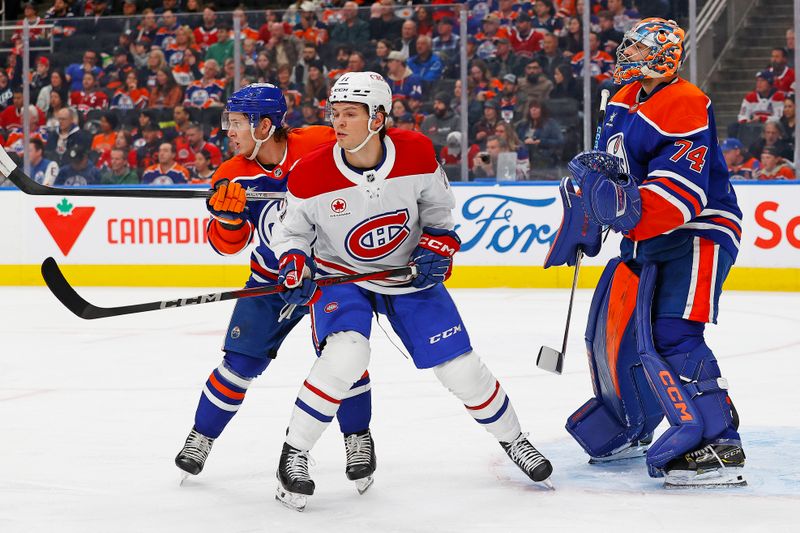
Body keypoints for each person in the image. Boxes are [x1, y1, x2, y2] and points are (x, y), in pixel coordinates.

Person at [270, 72, 553, 511]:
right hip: (338, 275)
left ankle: (515, 440)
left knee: (460, 367)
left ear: (378, 117)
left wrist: (437, 246)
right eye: (335, 114)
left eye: (350, 114)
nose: (338, 123)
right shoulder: (310, 174)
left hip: (406, 275)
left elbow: (439, 214)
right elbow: (290, 234)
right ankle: (294, 454)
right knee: (346, 355)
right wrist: (293, 264)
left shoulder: (417, 153)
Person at [547, 18, 746, 488]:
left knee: (673, 333)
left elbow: (682, 195)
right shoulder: (621, 100)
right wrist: (588, 216)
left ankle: (718, 441)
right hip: (649, 233)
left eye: (635, 49)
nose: (625, 56)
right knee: (622, 330)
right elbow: (611, 174)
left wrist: (619, 210)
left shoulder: (685, 102)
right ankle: (630, 422)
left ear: (663, 55)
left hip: (699, 230)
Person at [173, 84, 376, 494]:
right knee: (238, 365)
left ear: (265, 125)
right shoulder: (231, 173)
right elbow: (225, 244)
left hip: (327, 276)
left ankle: (357, 437)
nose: (228, 132)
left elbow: (370, 166)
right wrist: (229, 219)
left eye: (236, 123)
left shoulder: (320, 143)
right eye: (227, 122)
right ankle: (202, 435)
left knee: (344, 357)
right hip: (269, 279)